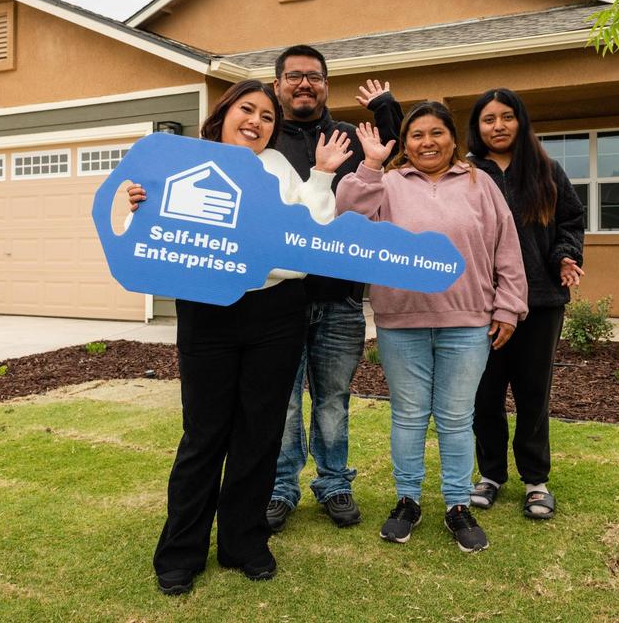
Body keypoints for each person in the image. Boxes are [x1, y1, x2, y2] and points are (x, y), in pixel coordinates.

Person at [126, 79, 352, 595]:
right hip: (207, 309)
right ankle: (181, 550)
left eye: (267, 117)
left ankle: (244, 542)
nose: (256, 121)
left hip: (275, 312)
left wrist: (320, 176)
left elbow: (311, 235)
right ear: (223, 113)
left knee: (260, 433)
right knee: (204, 435)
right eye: (247, 110)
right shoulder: (182, 161)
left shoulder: (276, 167)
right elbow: (149, 241)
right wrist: (141, 207)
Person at [336, 98, 528, 552]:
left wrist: (508, 306)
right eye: (417, 135)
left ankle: (457, 505)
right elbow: (348, 213)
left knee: (457, 418)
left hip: (467, 321)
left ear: (452, 138)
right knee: (407, 416)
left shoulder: (480, 183)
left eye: (436, 133)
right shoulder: (387, 183)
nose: (427, 142)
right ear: (405, 142)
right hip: (401, 321)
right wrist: (369, 165)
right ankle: (407, 500)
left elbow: (507, 248)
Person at [265, 45, 401, 532]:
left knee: (332, 399)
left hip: (340, 295)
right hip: (277, 298)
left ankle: (334, 483)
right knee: (281, 401)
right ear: (277, 84)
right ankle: (280, 487)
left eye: (315, 77)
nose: (305, 84)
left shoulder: (346, 133)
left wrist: (385, 106)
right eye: (294, 76)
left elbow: (389, 146)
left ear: (326, 84)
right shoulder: (264, 137)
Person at [465, 88, 585, 520]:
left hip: (540, 300)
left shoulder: (546, 170)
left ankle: (536, 481)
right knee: (485, 392)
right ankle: (490, 475)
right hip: (480, 302)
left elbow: (570, 221)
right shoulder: (467, 173)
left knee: (533, 392)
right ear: (476, 127)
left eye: (507, 117)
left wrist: (564, 256)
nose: (498, 126)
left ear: (521, 121)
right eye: (488, 119)